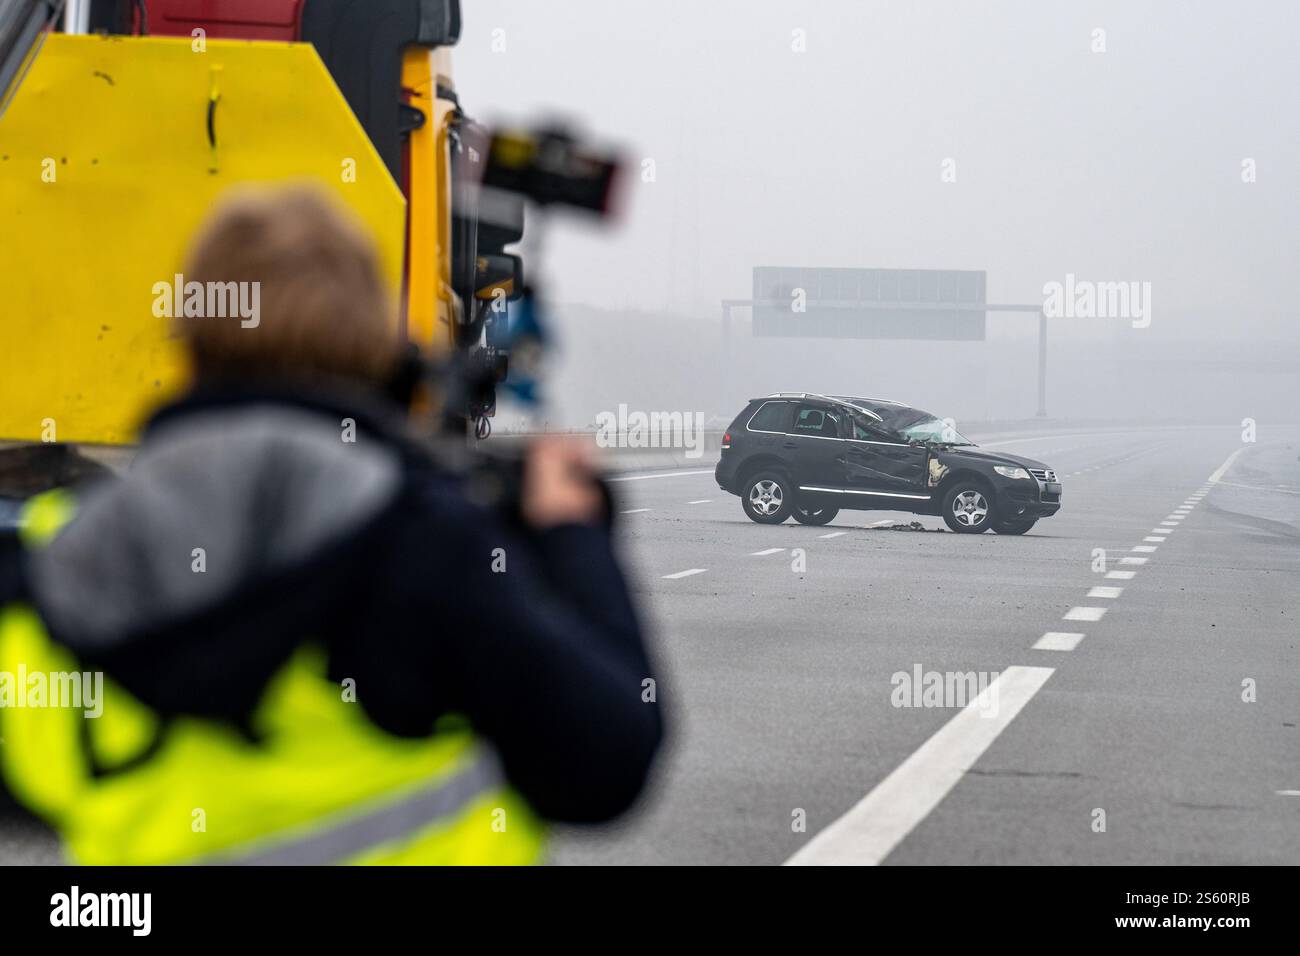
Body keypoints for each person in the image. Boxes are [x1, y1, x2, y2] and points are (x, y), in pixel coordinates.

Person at [0, 186, 663, 864]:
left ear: (192, 336)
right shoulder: (425, 540)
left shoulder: (60, 557)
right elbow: (606, 763)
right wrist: (572, 538)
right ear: (373, 340)